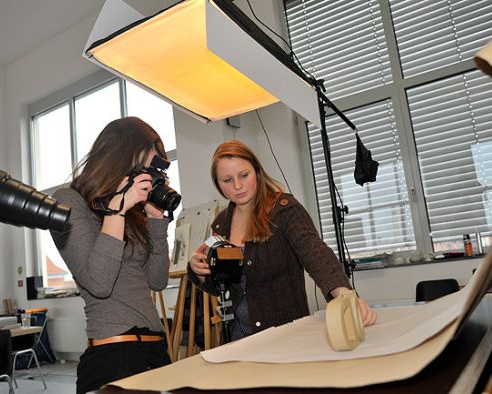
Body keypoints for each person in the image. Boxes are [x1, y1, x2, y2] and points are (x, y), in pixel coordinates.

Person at [188, 140, 376, 341]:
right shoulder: (221, 223)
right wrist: (199, 271)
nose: (238, 186)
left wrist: (344, 294)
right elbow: (223, 286)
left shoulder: (284, 210)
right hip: (238, 338)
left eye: (244, 175)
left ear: (257, 172)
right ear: (217, 183)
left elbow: (314, 252)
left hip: (285, 336)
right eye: (227, 180)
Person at [50, 117, 173, 394]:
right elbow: (99, 283)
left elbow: (157, 280)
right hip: (114, 356)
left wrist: (155, 219)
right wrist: (116, 211)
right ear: (118, 159)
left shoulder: (132, 211)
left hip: (156, 349)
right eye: (143, 168)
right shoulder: (68, 201)